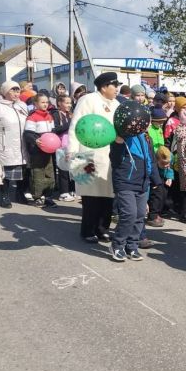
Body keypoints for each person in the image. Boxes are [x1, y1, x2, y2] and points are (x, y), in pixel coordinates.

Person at [67, 72, 121, 243]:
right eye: (114, 85)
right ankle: (88, 229)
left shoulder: (116, 104)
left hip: (109, 155)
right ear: (104, 87)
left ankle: (103, 228)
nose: (117, 89)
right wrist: (73, 151)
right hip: (88, 153)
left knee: (108, 194)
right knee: (91, 196)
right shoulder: (88, 100)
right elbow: (76, 126)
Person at [109, 128, 161, 262]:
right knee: (129, 214)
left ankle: (131, 246)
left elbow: (151, 159)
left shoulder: (146, 137)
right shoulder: (122, 135)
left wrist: (155, 180)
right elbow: (115, 161)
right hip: (125, 182)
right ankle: (117, 245)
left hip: (142, 182)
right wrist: (118, 143)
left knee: (139, 215)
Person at [0, 80, 29, 208]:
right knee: (6, 173)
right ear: (5, 92)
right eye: (13, 90)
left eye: (17, 90)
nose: (16, 93)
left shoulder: (22, 106)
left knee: (23, 171)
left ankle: (20, 194)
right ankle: (5, 196)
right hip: (5, 145)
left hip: (22, 144)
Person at [23, 92, 57, 208]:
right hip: (37, 150)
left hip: (48, 151)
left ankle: (48, 196)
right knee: (37, 173)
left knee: (49, 173)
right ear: (35, 104)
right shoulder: (32, 117)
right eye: (42, 102)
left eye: (47, 102)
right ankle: (37, 197)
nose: (45, 104)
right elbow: (28, 134)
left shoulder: (49, 116)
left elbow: (52, 133)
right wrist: (35, 140)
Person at [52, 94, 74, 201]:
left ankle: (72, 190)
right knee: (63, 169)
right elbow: (55, 129)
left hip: (71, 144)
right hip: (61, 146)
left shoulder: (70, 114)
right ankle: (64, 192)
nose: (69, 105)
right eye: (67, 103)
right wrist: (69, 124)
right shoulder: (56, 114)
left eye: (70, 103)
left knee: (72, 169)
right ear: (59, 103)